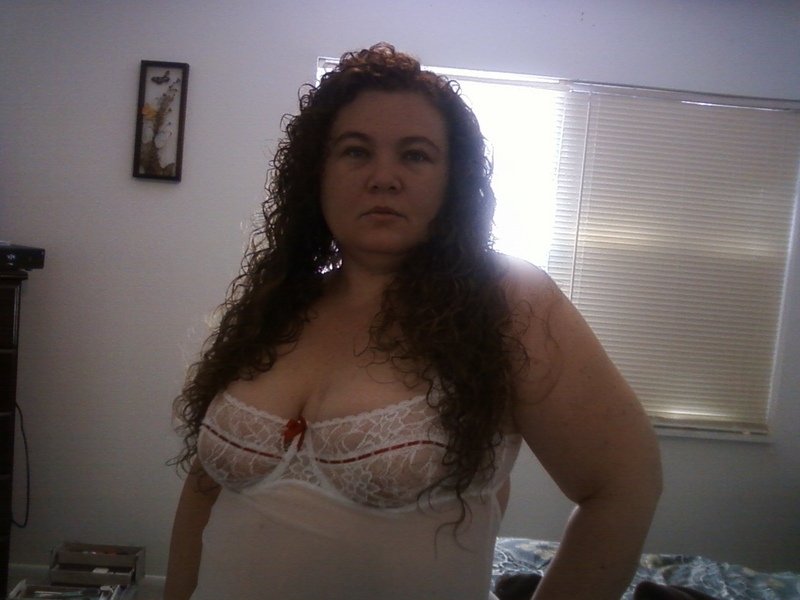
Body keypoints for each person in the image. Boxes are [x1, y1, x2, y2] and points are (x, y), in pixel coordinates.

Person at [164, 43, 662, 600]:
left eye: (416, 155)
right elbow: (206, 487)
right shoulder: (276, 304)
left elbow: (624, 484)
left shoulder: (508, 301)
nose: (384, 177)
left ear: (452, 181)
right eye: (355, 151)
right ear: (316, 175)